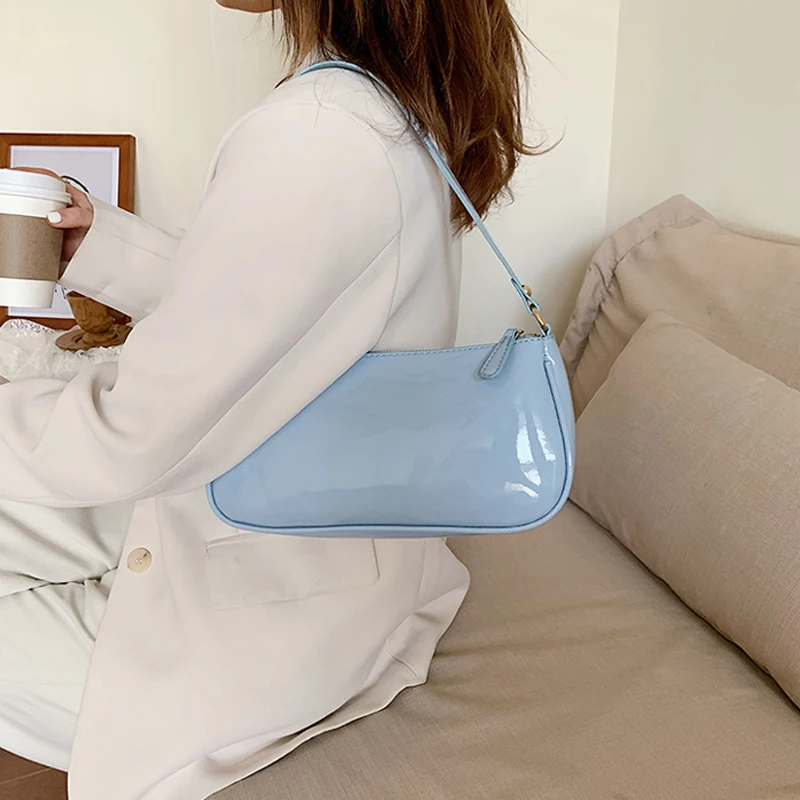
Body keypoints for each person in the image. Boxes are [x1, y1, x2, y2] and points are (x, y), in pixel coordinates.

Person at [0, 0, 535, 797]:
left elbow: (132, 433)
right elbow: (286, 312)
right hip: (320, 546)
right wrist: (103, 247)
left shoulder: (320, 132)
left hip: (277, 613)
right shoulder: (373, 104)